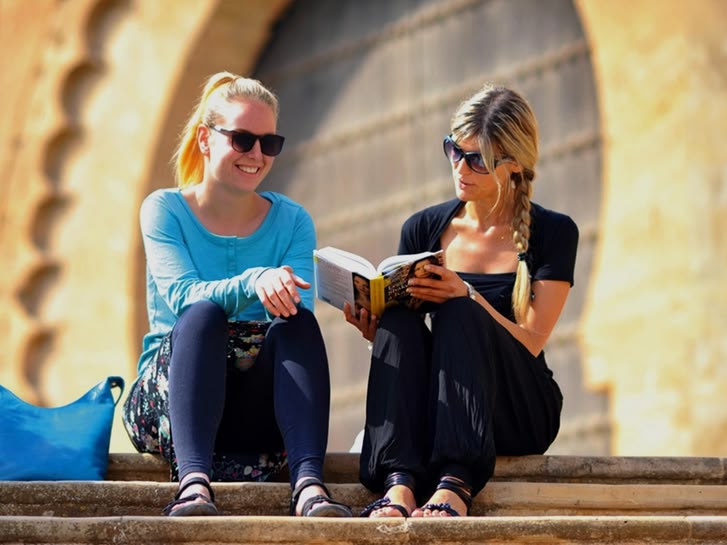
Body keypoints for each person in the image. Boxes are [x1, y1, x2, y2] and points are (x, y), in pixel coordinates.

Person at [122, 71, 352, 518]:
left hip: (253, 412)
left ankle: (309, 486)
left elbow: (294, 314)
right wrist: (254, 280)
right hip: (173, 407)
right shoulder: (164, 209)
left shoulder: (293, 221)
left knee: (297, 322)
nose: (257, 155)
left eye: (270, 143)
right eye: (243, 140)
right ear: (206, 140)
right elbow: (184, 297)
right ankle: (192, 484)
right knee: (203, 314)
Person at [344, 84, 578, 518]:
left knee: (458, 308)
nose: (460, 167)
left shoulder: (554, 233)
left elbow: (531, 341)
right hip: (442, 410)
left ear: (512, 166)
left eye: (477, 160)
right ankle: (399, 483)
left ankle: (456, 481)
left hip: (517, 409)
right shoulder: (424, 228)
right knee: (399, 323)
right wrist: (374, 326)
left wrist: (468, 294)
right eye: (454, 150)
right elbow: (412, 339)